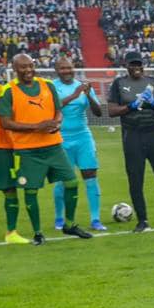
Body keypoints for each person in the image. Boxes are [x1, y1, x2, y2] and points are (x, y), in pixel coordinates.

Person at [0, 54, 92, 244]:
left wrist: (57, 122)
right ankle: (38, 233)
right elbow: (5, 122)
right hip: (27, 150)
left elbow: (58, 110)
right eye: (22, 67)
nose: (28, 70)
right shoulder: (9, 91)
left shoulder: (47, 85)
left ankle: (70, 224)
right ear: (15, 69)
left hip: (54, 146)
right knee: (31, 191)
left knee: (72, 182)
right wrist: (36, 127)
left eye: (30, 66)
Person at [107, 51, 154, 232]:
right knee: (135, 178)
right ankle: (143, 221)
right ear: (126, 66)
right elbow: (111, 110)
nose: (136, 68)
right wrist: (130, 107)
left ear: (143, 65)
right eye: (132, 64)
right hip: (132, 135)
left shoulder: (152, 82)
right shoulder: (119, 84)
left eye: (138, 64)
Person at [50, 57, 106, 231]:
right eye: (63, 68)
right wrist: (75, 94)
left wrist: (88, 95)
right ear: (57, 70)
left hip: (83, 137)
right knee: (62, 180)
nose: (67, 71)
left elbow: (98, 113)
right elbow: (54, 107)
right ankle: (59, 218)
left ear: (74, 68)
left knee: (90, 176)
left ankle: (95, 220)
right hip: (61, 138)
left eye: (70, 68)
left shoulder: (83, 86)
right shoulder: (51, 87)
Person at [0, 79, 29, 244]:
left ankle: (11, 232)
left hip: (2, 147)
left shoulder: (3, 91)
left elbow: (14, 115)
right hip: (0, 146)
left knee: (10, 189)